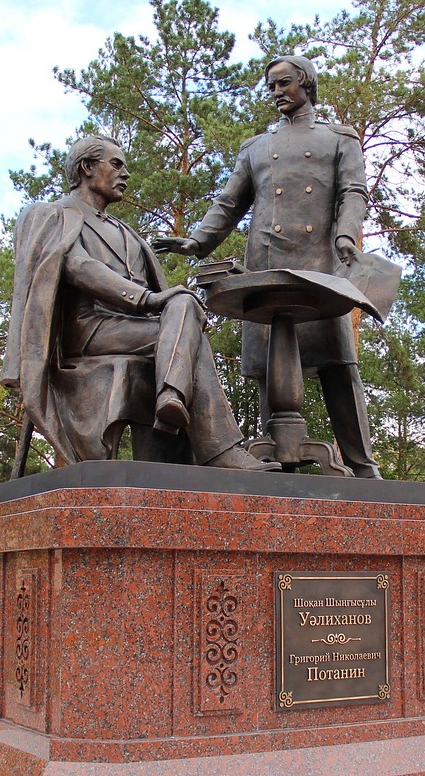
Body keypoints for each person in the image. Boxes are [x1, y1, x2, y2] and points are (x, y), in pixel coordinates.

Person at [153, 55, 381, 479]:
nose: (276, 92)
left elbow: (353, 192)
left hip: (317, 264)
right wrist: (198, 241)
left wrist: (346, 236)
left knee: (338, 367)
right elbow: (229, 202)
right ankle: (280, 462)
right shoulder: (257, 147)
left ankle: (362, 465)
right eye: (272, 85)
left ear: (306, 84)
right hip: (267, 264)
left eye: (284, 83)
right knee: (268, 367)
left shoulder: (338, 139)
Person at [0, 135, 279, 473]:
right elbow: (79, 267)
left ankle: (170, 399)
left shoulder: (126, 231)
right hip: (89, 331)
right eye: (116, 164)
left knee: (185, 305)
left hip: (134, 329)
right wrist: (147, 300)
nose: (126, 173)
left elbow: (161, 293)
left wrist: (172, 299)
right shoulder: (52, 215)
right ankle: (220, 450)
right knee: (184, 320)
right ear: (87, 168)